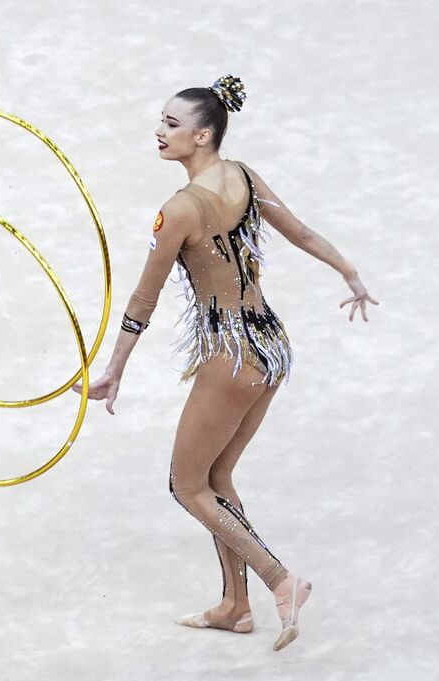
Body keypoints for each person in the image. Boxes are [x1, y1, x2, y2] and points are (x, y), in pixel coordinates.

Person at [76, 76, 379, 651]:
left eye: (171, 124)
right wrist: (350, 273)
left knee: (185, 484)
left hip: (231, 355)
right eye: (161, 121)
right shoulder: (242, 175)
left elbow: (145, 296)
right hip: (271, 344)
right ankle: (235, 607)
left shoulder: (180, 210)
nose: (159, 132)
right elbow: (301, 231)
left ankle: (279, 580)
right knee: (217, 479)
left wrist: (115, 367)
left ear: (203, 134)